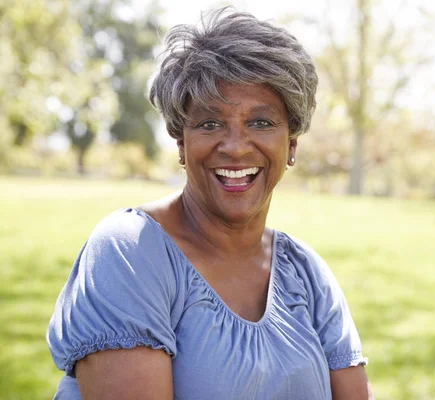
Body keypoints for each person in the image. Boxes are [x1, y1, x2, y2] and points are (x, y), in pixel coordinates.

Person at [47, 8, 372, 400]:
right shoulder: (130, 252)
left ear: (291, 145)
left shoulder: (306, 274)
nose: (235, 146)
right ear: (182, 145)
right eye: (209, 123)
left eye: (262, 122)